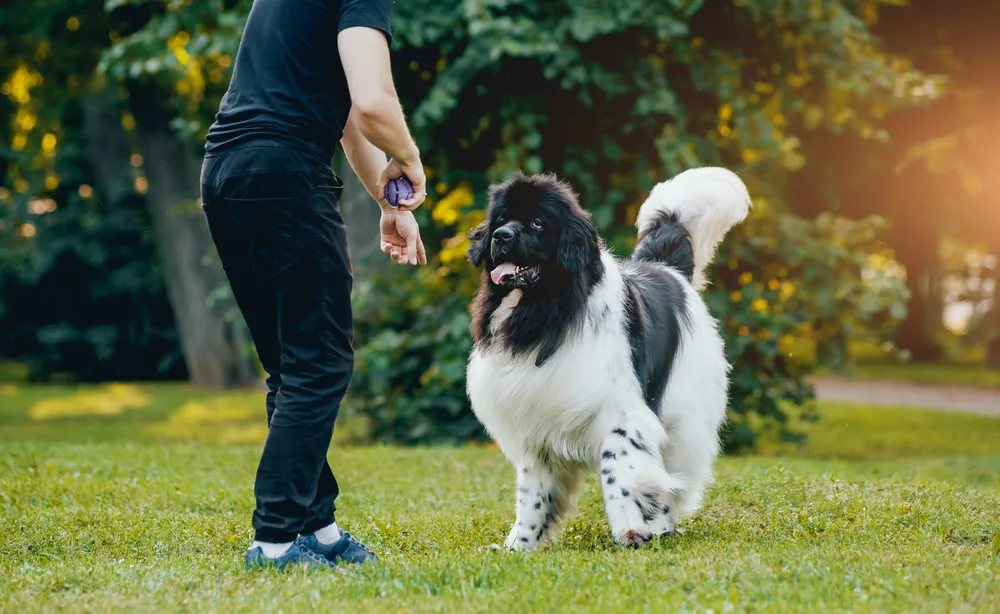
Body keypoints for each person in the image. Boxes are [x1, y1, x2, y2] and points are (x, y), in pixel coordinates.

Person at [199, 0, 427, 570]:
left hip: (228, 170)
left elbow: (349, 119)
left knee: (292, 363)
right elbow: (374, 104)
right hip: (283, 171)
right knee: (320, 363)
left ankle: (317, 529)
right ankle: (274, 544)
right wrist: (410, 160)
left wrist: (389, 200)